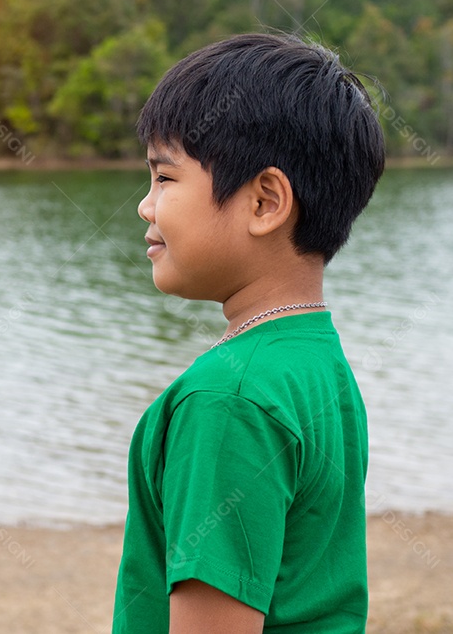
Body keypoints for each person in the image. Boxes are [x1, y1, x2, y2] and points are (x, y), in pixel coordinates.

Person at [112, 33, 386, 633]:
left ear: (264, 202)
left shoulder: (225, 401)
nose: (145, 206)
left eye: (165, 179)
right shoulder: (316, 362)